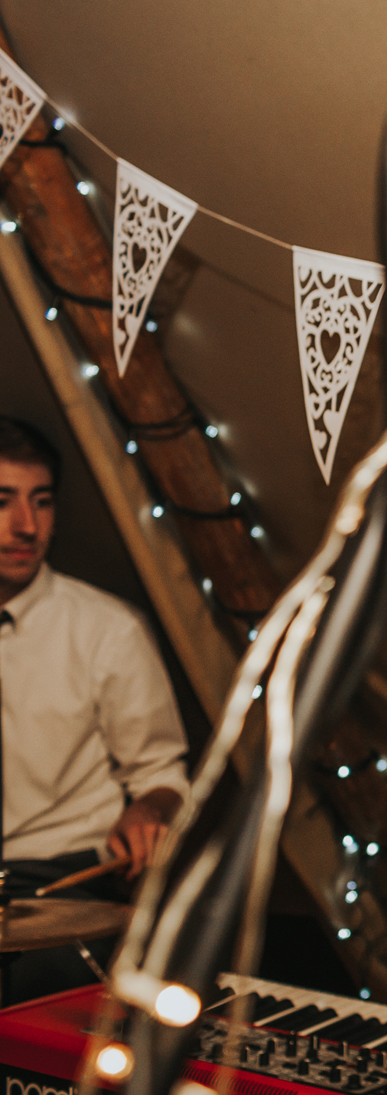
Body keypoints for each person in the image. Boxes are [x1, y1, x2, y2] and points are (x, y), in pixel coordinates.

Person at [0, 416, 191, 998]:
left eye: (42, 502)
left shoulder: (108, 630)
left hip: (56, 882)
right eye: (2, 501)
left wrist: (150, 811)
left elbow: (161, 775)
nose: (25, 526)